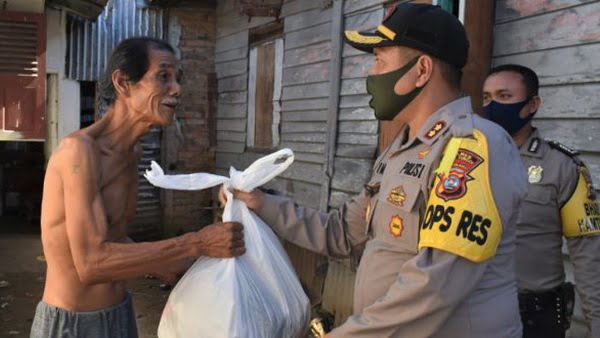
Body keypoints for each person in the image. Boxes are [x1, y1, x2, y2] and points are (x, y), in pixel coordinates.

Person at [224, 3, 527, 337]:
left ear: (422, 70)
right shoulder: (399, 150)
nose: (371, 74)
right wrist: (261, 203)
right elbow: (341, 232)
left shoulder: (472, 148)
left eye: (380, 60)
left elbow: (435, 286)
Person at [30, 37, 245, 338]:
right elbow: (91, 263)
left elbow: (114, 235)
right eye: (163, 76)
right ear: (123, 83)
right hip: (72, 325)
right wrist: (194, 243)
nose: (177, 89)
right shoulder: (78, 152)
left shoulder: (132, 153)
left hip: (120, 315)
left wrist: (173, 266)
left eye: (178, 79)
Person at [482, 64, 600, 338]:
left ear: (532, 103)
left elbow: (587, 253)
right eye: (487, 97)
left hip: (537, 318)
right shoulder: (467, 161)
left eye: (504, 96)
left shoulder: (561, 166)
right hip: (476, 310)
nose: (492, 105)